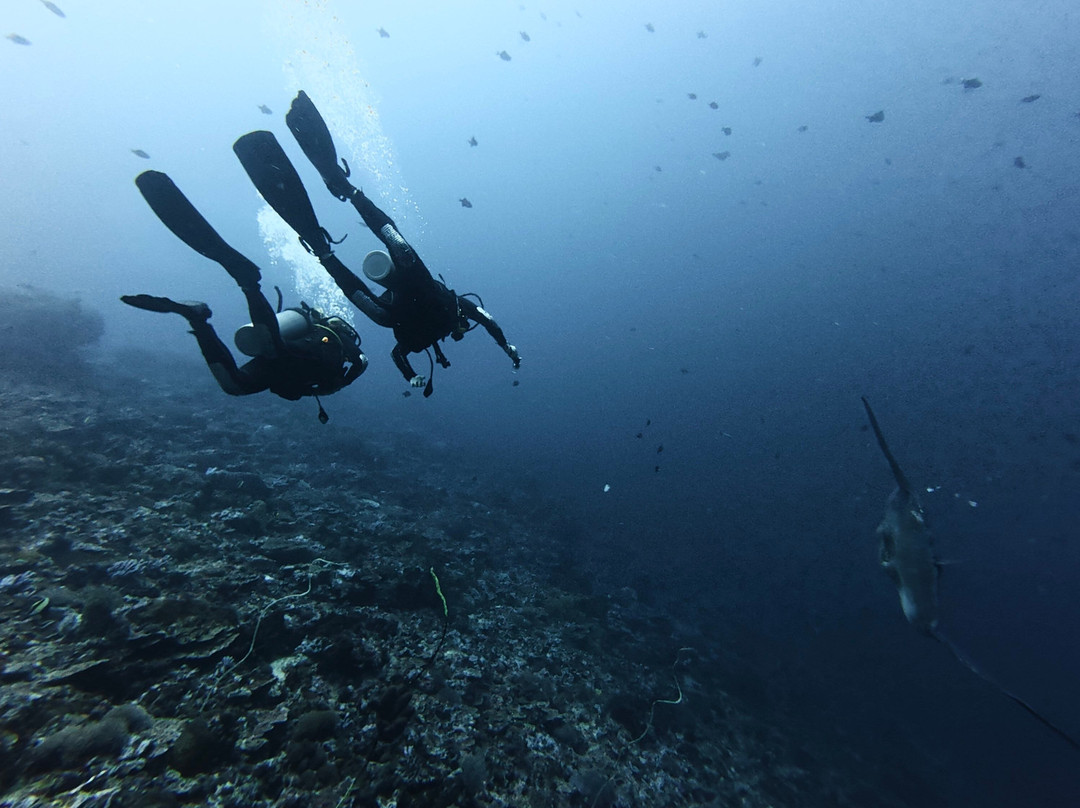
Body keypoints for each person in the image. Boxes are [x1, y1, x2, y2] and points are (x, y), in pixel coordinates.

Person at [232, 93, 520, 397]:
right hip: (404, 299)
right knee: (390, 280)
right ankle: (328, 239)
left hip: (401, 300)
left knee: (398, 259)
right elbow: (485, 324)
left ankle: (340, 215)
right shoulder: (458, 310)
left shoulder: (453, 313)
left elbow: (480, 326)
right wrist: (506, 349)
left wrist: (416, 377)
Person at [121, 171, 367, 422]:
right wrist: (340, 384)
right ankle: (248, 283)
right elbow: (361, 362)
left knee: (235, 385)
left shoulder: (321, 344)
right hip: (288, 361)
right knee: (271, 352)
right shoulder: (338, 339)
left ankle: (198, 319)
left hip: (280, 370)